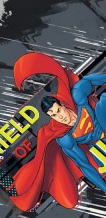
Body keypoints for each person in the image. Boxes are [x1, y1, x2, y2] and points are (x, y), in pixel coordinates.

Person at [10, 52, 106, 211]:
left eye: (58, 111)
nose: (60, 117)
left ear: (63, 105)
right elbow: (85, 165)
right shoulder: (64, 136)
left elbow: (89, 81)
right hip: (100, 148)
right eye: (54, 115)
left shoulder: (78, 97)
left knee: (103, 103)